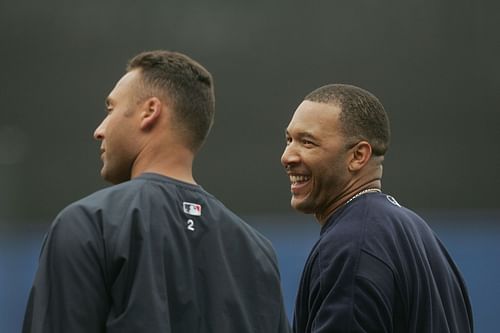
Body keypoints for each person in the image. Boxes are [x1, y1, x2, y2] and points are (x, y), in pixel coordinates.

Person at [23, 50, 290, 333]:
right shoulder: (259, 252)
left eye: (111, 109)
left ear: (150, 111)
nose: (99, 130)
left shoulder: (89, 223)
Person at [281, 84, 473, 333]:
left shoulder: (351, 246)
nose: (288, 156)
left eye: (307, 142)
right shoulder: (420, 234)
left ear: (358, 156)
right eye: (289, 140)